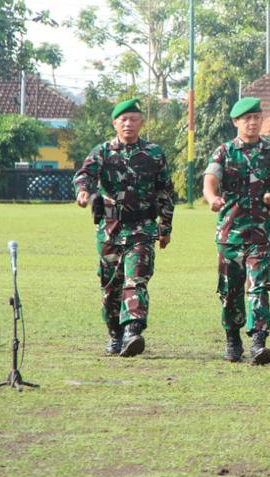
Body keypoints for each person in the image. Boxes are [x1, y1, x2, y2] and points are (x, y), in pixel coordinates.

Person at [73, 98, 175, 357]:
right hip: (110, 228)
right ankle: (115, 334)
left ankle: (133, 330)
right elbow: (84, 175)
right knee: (111, 287)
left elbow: (164, 190)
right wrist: (83, 192)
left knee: (136, 278)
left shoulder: (154, 153)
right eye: (123, 119)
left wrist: (166, 226)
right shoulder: (103, 151)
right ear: (115, 123)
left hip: (142, 227)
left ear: (141, 122)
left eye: (133, 119)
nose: (128, 123)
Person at [203, 96, 270, 364]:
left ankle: (258, 342)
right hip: (230, 234)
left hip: (261, 233)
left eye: (256, 118)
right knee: (231, 290)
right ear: (236, 122)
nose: (252, 123)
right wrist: (212, 198)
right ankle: (233, 340)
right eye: (246, 119)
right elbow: (211, 178)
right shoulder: (224, 151)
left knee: (259, 288)